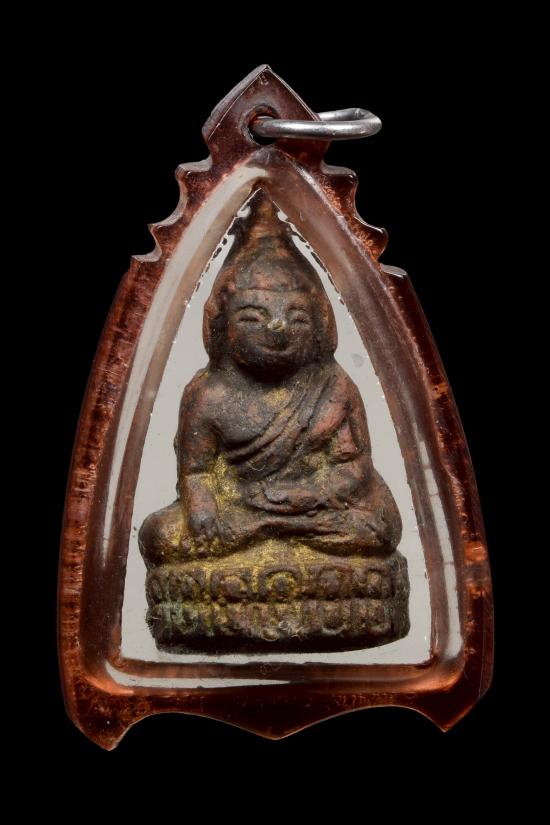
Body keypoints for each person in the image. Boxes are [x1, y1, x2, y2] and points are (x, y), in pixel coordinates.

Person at [139, 190, 402, 570]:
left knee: (381, 526)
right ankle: (268, 532)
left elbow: (355, 466)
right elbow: (197, 472)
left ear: (322, 327)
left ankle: (270, 531)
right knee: (159, 535)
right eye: (252, 317)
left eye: (297, 318)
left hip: (313, 506)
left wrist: (309, 495)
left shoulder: (334, 387)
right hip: (243, 505)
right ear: (220, 326)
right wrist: (202, 508)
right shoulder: (208, 394)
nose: (277, 328)